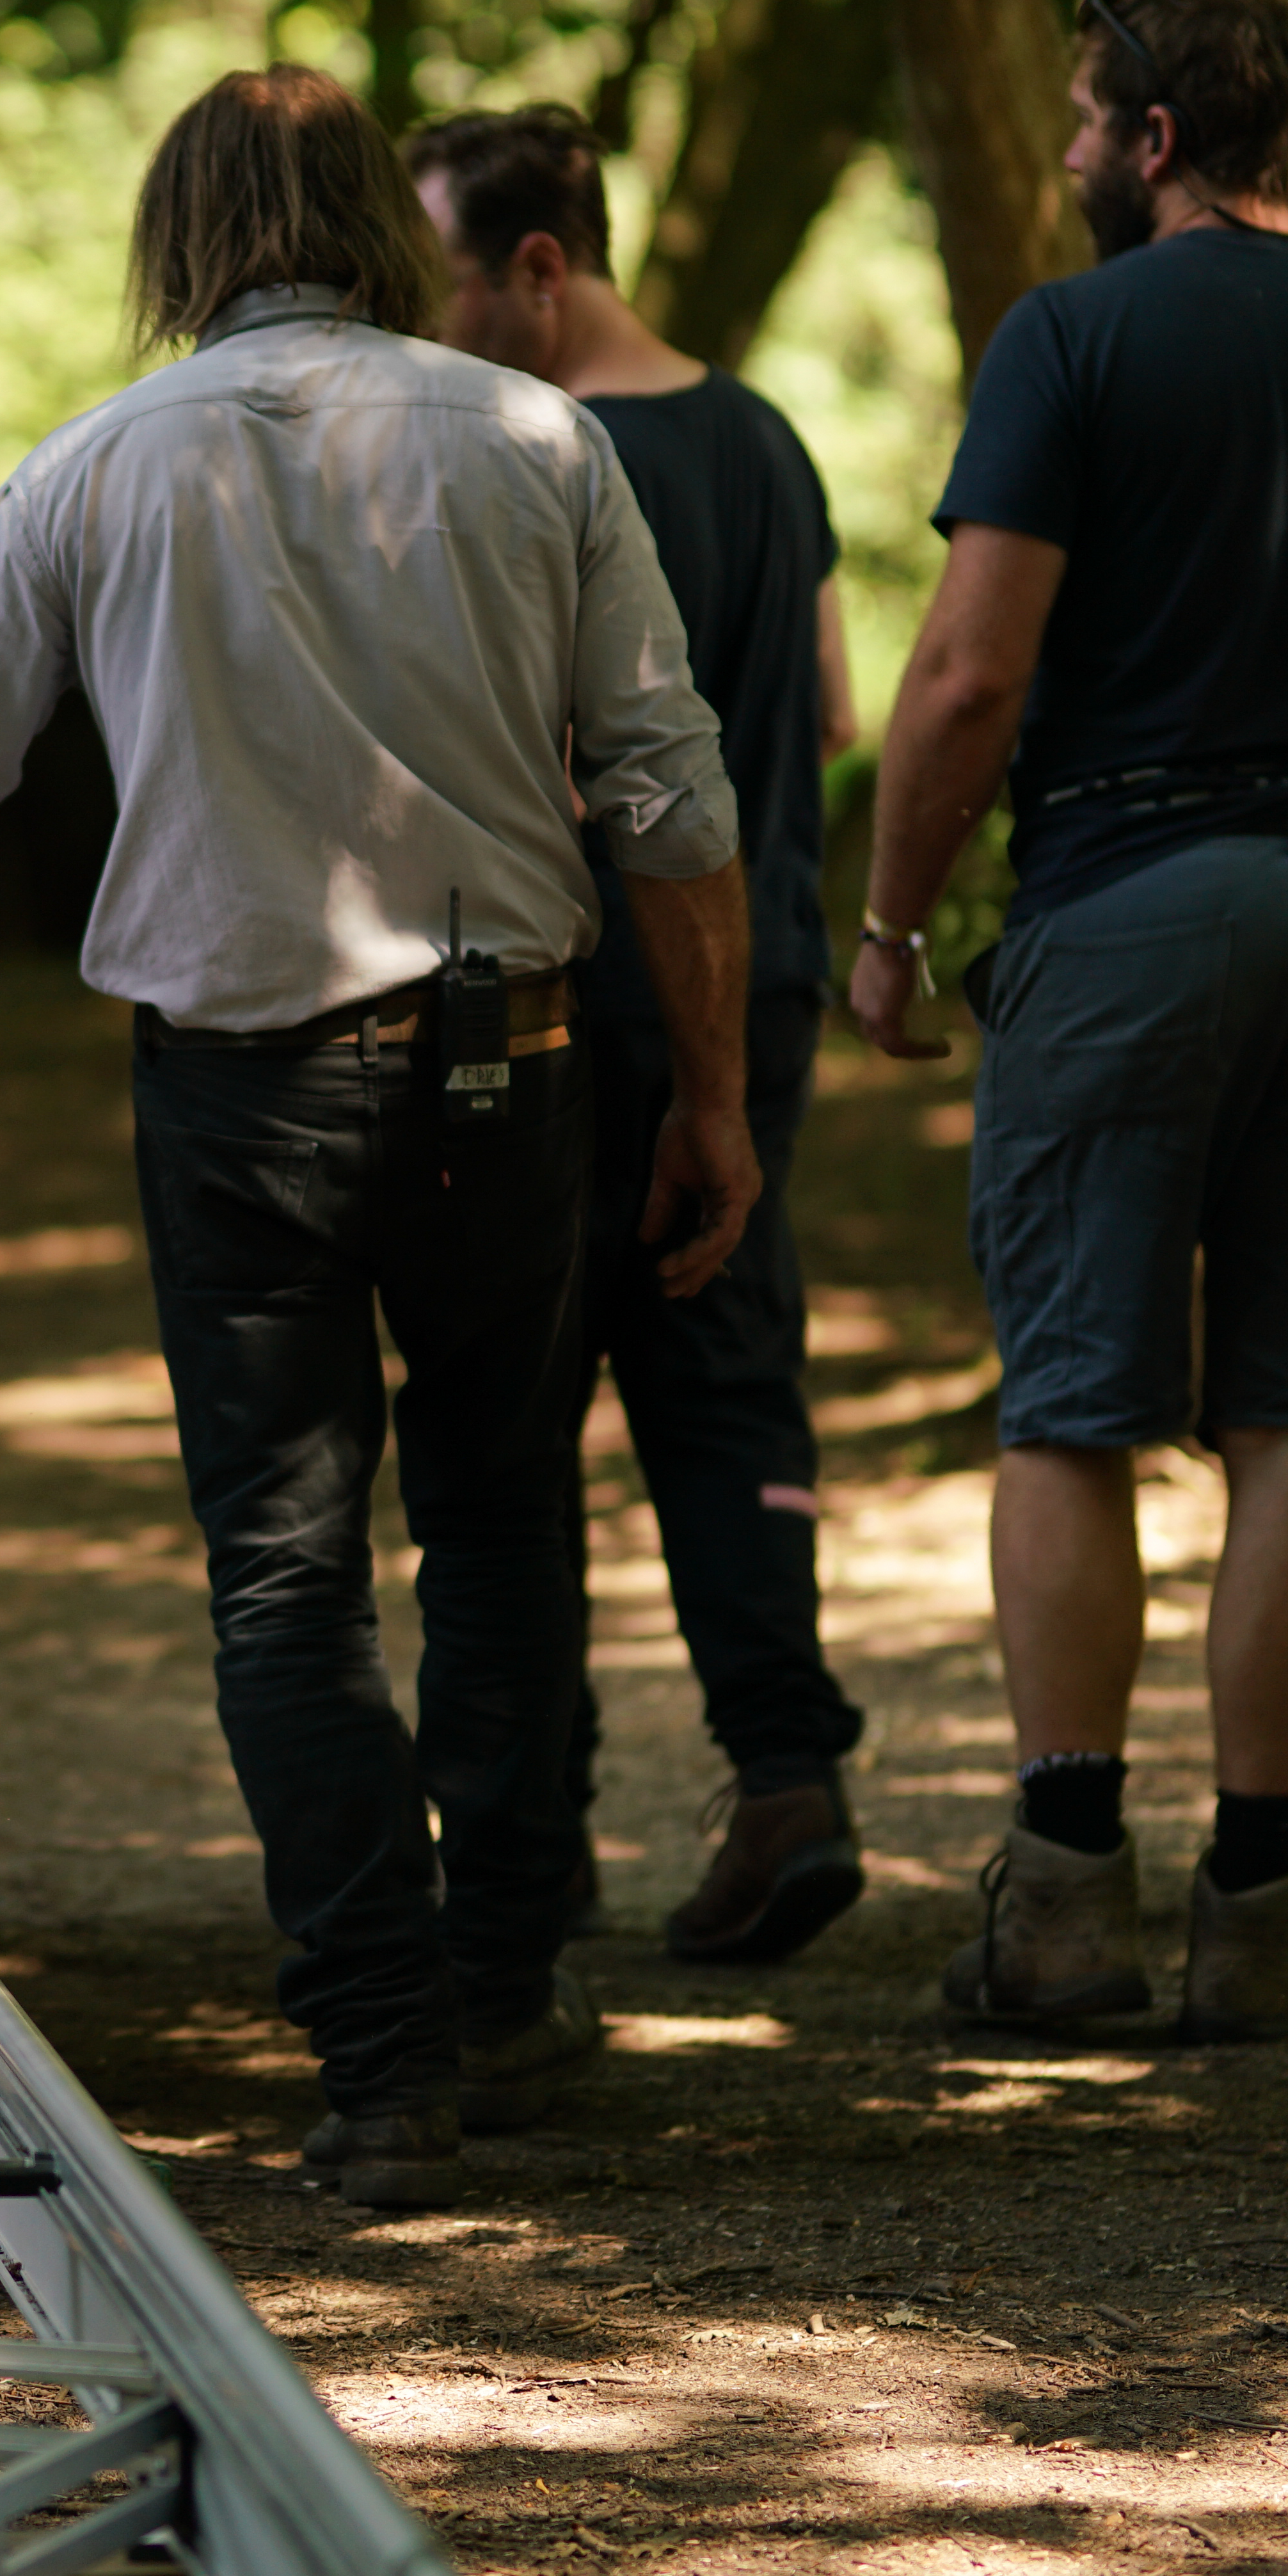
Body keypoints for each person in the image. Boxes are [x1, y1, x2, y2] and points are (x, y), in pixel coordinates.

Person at [0, 67, 759, 2213]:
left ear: (175, 239)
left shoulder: (96, 465)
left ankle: (385, 2066)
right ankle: (504, 1989)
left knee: (288, 1573)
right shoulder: (535, 437)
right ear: (378, 223)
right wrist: (717, 1090)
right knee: (501, 1516)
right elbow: (668, 787)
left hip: (239, 1088)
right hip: (509, 1056)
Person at [849, 0, 1288, 2044]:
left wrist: (888, 923)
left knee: (1075, 1399)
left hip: (1129, 903)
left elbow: (969, 672)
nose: (1069, 148)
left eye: (1085, 116)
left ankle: (1065, 1903)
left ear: (1155, 140)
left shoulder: (1068, 340)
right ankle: (1268, 1906)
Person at [407, 104, 870, 1964]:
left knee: (510, 1392)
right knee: (723, 1368)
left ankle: (532, 1831)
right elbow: (829, 708)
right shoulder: (762, 437)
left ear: (538, 267)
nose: (423, 324)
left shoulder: (531, 457)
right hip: (757, 977)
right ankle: (787, 1777)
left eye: (440, 281)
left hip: (568, 984)